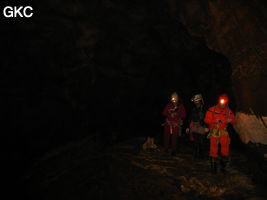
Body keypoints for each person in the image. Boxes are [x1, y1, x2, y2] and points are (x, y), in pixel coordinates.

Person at [204, 94, 236, 174]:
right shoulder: (212, 109)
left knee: (225, 148)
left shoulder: (228, 111)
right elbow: (206, 120)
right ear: (218, 101)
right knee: (213, 149)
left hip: (223, 131)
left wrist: (230, 120)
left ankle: (224, 168)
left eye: (224, 103)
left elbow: (234, 121)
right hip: (214, 131)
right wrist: (214, 121)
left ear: (226, 103)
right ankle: (213, 169)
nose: (222, 104)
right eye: (221, 102)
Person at [186, 94, 208, 160]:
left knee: (201, 142)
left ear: (200, 100)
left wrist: (206, 126)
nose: (195, 102)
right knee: (195, 142)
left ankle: (201, 156)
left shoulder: (204, 109)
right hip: (194, 126)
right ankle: (195, 156)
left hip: (201, 126)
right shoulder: (193, 109)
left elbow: (207, 118)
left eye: (197, 101)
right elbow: (190, 118)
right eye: (195, 101)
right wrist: (188, 127)